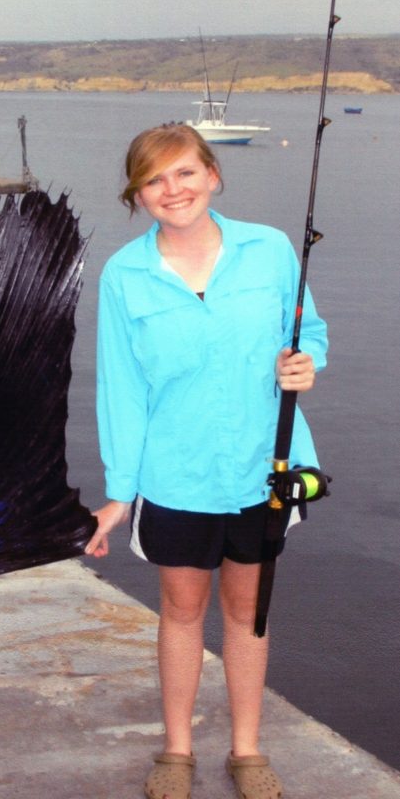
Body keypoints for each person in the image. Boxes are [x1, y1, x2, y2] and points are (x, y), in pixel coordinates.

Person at [85, 124, 327, 799]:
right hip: (174, 476)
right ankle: (177, 749)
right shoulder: (123, 277)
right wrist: (117, 494)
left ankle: (247, 750)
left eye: (184, 173)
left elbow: (307, 331)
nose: (173, 190)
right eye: (154, 180)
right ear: (137, 194)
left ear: (212, 175)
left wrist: (307, 363)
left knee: (248, 611)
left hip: (262, 470)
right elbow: (121, 391)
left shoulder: (270, 250)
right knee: (182, 609)